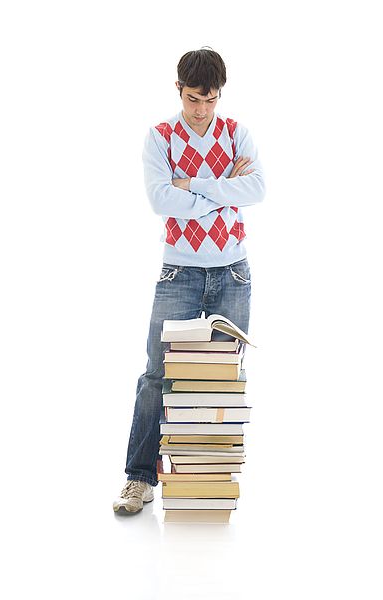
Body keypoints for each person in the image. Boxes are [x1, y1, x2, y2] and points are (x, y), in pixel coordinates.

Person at [113, 48, 265, 514]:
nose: (202, 109)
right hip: (179, 270)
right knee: (158, 376)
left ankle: (210, 484)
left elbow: (257, 188)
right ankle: (138, 480)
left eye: (211, 99)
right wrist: (221, 186)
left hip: (233, 270)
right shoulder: (160, 138)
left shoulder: (237, 132)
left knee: (223, 381)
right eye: (195, 98)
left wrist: (190, 185)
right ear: (178, 89)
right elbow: (162, 202)